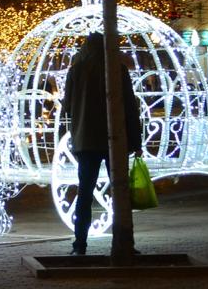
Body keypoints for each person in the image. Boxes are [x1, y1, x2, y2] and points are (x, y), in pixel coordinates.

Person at [61, 31, 142, 257]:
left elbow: (67, 105)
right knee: (120, 193)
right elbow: (129, 106)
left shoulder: (76, 70)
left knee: (84, 193)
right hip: (114, 139)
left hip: (86, 141)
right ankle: (124, 242)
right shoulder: (117, 68)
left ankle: (80, 245)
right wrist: (136, 141)